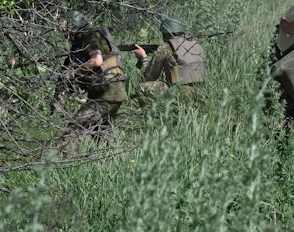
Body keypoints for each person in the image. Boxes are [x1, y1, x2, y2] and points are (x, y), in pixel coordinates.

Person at [57, 10, 128, 151]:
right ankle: (111, 162)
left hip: (107, 93)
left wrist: (73, 74)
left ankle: (63, 162)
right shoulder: (87, 39)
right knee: (100, 132)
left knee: (73, 129)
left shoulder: (90, 37)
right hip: (110, 91)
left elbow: (96, 61)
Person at [131, 17, 206, 98]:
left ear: (164, 33)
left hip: (179, 91)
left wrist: (143, 57)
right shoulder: (196, 45)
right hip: (200, 91)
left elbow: (150, 76)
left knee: (141, 87)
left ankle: (148, 110)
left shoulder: (165, 48)